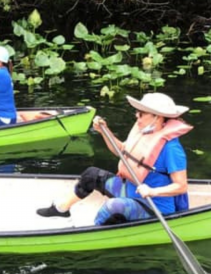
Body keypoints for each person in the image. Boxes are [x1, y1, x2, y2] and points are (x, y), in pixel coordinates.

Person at [36, 93, 192, 225]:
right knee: (92, 175)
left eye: (141, 114)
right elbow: (121, 152)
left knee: (113, 207)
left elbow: (181, 186)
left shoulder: (172, 149)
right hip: (129, 190)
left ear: (157, 117)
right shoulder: (144, 132)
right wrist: (104, 131)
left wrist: (152, 191)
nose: (136, 116)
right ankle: (61, 209)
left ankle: (92, 236)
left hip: (153, 206)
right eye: (137, 112)